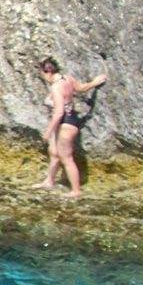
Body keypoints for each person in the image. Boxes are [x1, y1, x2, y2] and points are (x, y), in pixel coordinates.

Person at [37, 57, 107, 197]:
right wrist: (94, 82)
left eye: (42, 74)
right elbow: (81, 88)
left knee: (66, 158)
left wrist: (47, 131)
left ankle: (76, 191)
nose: (42, 77)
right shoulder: (67, 79)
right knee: (54, 153)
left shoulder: (56, 87)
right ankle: (49, 181)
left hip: (65, 123)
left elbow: (58, 113)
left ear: (47, 72)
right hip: (70, 120)